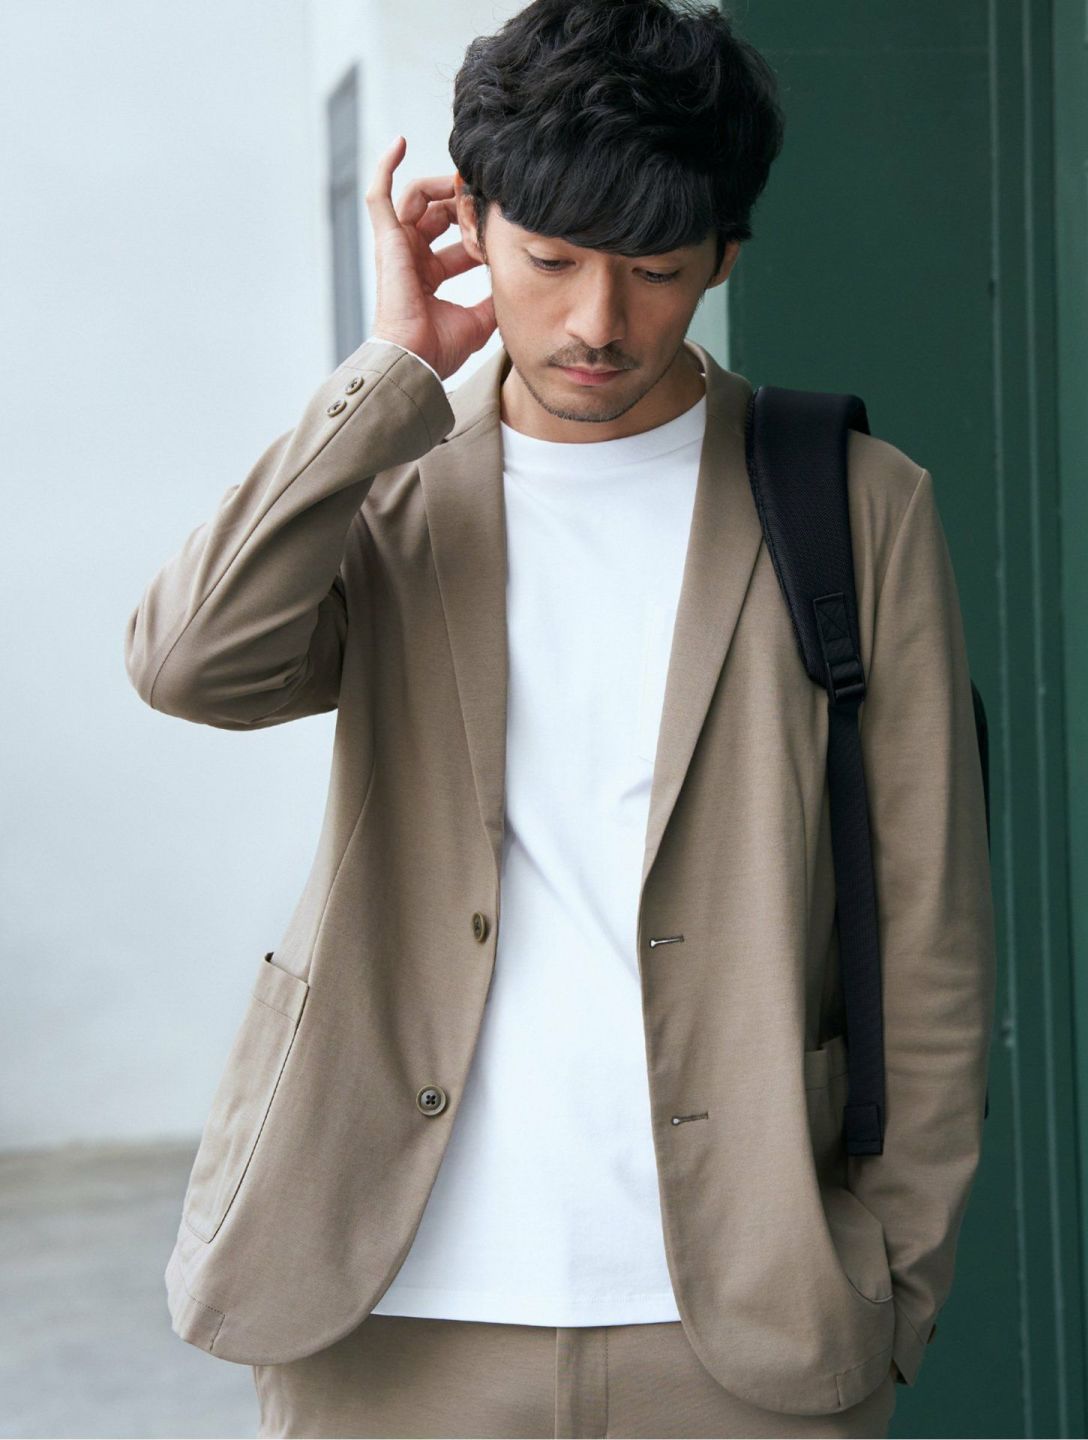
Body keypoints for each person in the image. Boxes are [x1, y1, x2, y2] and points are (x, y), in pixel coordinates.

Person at [124, 1, 996, 1436]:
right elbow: (190, 663)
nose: (598, 321)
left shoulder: (854, 505)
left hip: (744, 1315)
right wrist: (390, 376)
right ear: (469, 224)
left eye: (655, 271)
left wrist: (892, 1277)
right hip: (388, 1302)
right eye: (551, 260)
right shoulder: (393, 484)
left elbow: (932, 931)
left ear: (725, 255)